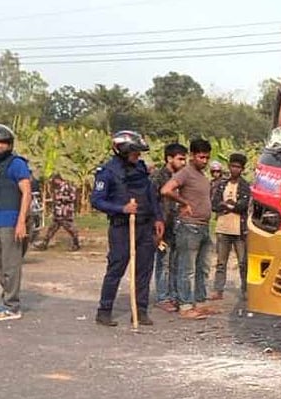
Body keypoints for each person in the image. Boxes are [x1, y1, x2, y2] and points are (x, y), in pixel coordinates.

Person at [90, 130, 164, 327]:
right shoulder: (107, 172)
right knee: (116, 268)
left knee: (144, 270)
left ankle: (140, 311)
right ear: (122, 150)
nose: (138, 156)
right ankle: (104, 311)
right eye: (134, 152)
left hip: (145, 226)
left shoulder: (140, 169)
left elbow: (151, 195)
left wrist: (158, 218)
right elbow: (96, 201)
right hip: (122, 227)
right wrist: (122, 209)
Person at [0, 124, 34, 321]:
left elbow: (26, 193)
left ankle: (12, 305)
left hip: (10, 221)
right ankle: (6, 298)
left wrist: (21, 222)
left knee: (11, 265)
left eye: (2, 143)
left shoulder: (17, 164)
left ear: (9, 144)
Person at [162, 139, 215, 320]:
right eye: (201, 157)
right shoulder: (186, 173)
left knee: (203, 267)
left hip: (204, 226)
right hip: (189, 226)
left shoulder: (202, 175)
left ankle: (200, 302)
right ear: (193, 155)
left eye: (207, 157)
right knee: (187, 268)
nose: (205, 161)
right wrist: (183, 203)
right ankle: (185, 305)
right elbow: (166, 190)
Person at [152, 143, 187, 312]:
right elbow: (152, 202)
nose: (183, 162)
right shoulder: (158, 177)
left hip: (177, 225)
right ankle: (162, 297)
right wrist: (155, 224)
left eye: (184, 159)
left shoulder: (181, 178)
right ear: (169, 158)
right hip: (162, 226)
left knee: (175, 262)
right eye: (180, 159)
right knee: (163, 262)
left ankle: (173, 295)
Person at [211, 152, 250, 301]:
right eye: (233, 166)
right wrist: (231, 205)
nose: (235, 169)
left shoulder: (245, 186)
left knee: (242, 262)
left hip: (239, 230)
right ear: (229, 167)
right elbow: (215, 204)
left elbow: (243, 206)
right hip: (223, 228)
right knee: (221, 262)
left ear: (242, 169)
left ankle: (245, 290)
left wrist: (227, 206)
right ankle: (218, 290)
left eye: (238, 167)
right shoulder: (222, 185)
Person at [36, 173, 81, 252]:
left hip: (65, 213)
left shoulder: (67, 186)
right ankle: (44, 244)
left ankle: (76, 244)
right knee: (51, 229)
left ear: (57, 180)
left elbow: (73, 197)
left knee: (70, 229)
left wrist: (61, 198)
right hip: (58, 212)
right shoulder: (58, 188)